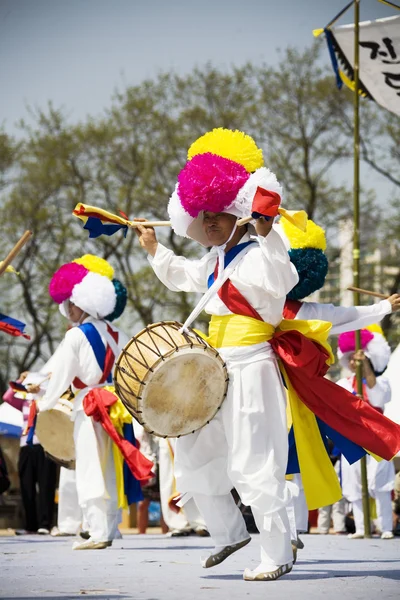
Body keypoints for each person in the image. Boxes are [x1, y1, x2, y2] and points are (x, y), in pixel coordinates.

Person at [134, 128, 400, 581]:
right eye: (205, 214)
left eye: (220, 212)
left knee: (255, 463)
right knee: (194, 454)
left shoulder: (261, 257)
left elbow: (289, 284)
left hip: (254, 367)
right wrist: (155, 249)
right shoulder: (215, 262)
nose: (212, 221)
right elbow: (182, 274)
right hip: (213, 372)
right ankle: (229, 533)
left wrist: (269, 230)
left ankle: (277, 553)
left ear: (238, 212)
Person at [36, 255, 153, 549]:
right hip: (117, 407)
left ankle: (98, 531)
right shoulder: (119, 334)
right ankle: (110, 528)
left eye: (72, 304)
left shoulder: (76, 335)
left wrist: (41, 398)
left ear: (84, 304)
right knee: (112, 468)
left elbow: (58, 375)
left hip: (89, 406)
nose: (68, 309)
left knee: (90, 468)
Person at [337, 328, 396, 539]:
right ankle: (361, 528)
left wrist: (367, 370)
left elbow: (379, 398)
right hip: (353, 438)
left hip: (377, 437)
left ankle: (386, 527)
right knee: (354, 483)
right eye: (350, 359)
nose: (354, 362)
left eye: (358, 358)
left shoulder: (382, 381)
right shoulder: (343, 384)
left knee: (379, 482)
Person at [3, 382, 57, 535]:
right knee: (27, 486)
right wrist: (20, 381)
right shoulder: (25, 400)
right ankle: (30, 525)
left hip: (45, 445)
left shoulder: (47, 398)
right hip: (26, 446)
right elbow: (7, 396)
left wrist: (42, 388)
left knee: (46, 485)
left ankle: (45, 524)